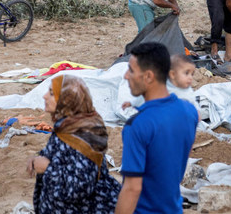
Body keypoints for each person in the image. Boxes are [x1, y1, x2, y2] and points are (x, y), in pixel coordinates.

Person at [115, 42, 199, 214]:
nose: (125, 76)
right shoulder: (189, 112)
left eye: (131, 70)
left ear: (148, 77)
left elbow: (132, 188)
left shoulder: (137, 125)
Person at [27, 75, 120, 214]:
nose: (45, 96)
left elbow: (80, 187)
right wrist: (38, 159)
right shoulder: (66, 127)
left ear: (67, 100)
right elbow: (63, 159)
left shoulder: (85, 134)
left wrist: (47, 167)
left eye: (52, 93)